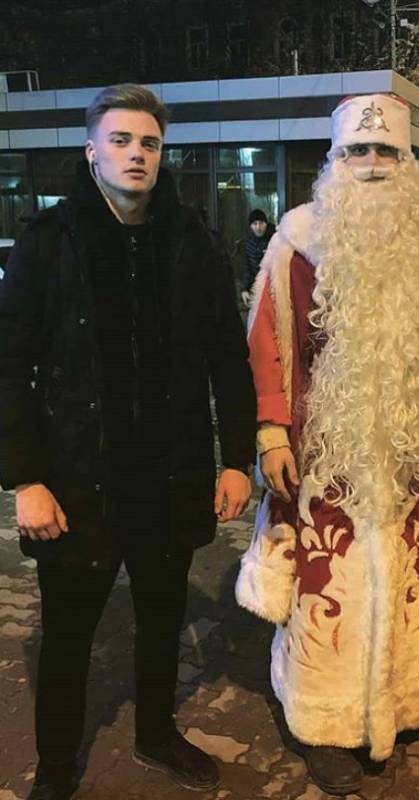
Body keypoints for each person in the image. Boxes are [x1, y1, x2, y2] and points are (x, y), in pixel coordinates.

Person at [0, 84, 256, 800]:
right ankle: (56, 769)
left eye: (149, 142)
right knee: (68, 636)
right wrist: (25, 479)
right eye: (120, 140)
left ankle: (155, 732)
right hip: (77, 479)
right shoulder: (49, 240)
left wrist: (236, 459)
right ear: (92, 151)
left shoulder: (192, 239)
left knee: (162, 619)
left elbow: (227, 356)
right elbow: (8, 364)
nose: (136, 154)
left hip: (168, 474)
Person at [235, 93, 419, 796]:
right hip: (325, 454)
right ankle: (323, 720)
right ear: (335, 161)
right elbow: (267, 343)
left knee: (407, 580)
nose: (372, 164)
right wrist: (272, 433)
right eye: (357, 151)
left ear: (408, 162)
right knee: (325, 582)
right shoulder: (299, 236)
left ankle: (400, 700)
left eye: (386, 151)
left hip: (408, 450)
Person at [241, 208, 275, 306]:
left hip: (272, 287)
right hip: (255, 287)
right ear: (250, 226)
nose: (258, 227)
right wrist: (244, 289)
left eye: (261, 223)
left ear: (266, 224)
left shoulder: (274, 240)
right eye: (254, 224)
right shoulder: (248, 243)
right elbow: (247, 268)